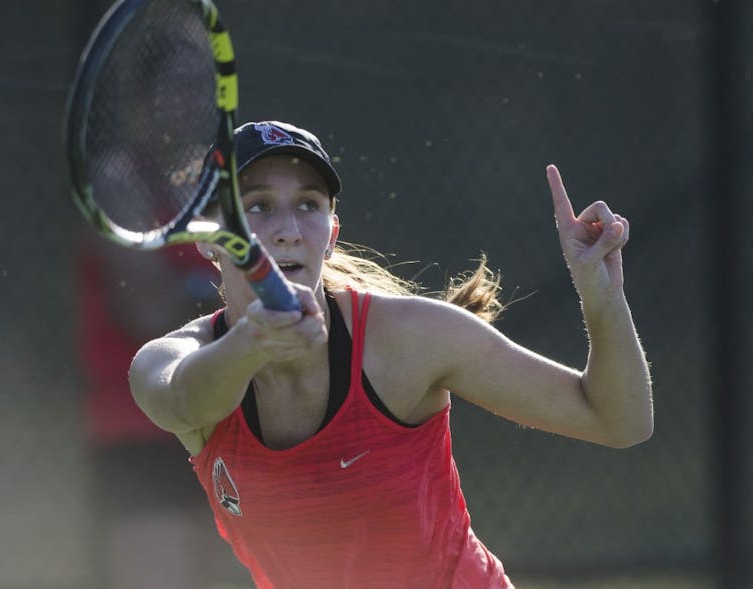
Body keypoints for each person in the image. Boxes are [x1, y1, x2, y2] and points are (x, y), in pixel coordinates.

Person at [128, 120, 654, 588]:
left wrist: (601, 295)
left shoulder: (411, 340)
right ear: (209, 239)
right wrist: (251, 342)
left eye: (308, 205)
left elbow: (619, 421)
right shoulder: (171, 360)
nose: (287, 229)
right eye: (258, 206)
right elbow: (182, 400)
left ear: (330, 236)